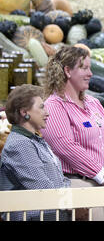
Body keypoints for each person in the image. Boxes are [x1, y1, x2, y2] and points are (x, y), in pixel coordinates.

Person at [41, 45, 104, 221]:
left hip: (103, 185)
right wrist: (101, 174)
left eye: (90, 68)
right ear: (68, 71)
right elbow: (65, 147)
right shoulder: (54, 106)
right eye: (84, 68)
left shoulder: (94, 103)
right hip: (77, 185)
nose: (91, 73)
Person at [0, 85, 71, 221]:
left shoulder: (35, 140)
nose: (47, 113)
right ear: (24, 112)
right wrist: (71, 203)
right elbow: (43, 188)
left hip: (52, 214)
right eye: (41, 107)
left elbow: (60, 179)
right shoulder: (20, 145)